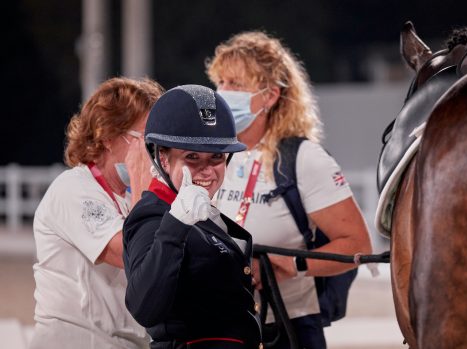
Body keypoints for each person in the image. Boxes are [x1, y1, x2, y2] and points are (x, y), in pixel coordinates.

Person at [206, 31, 372, 348]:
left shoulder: (304, 159)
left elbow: (357, 245)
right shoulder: (210, 155)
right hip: (217, 324)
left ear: (270, 96)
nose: (223, 93)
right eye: (222, 82)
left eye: (236, 85)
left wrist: (286, 266)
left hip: (287, 326)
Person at [122, 84, 262, 349]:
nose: (207, 170)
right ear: (163, 158)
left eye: (217, 157)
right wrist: (175, 224)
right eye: (192, 157)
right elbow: (144, 306)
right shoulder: (154, 216)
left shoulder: (201, 212)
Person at [30, 77, 163, 349]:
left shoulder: (127, 197)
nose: (155, 152)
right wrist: (142, 187)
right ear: (108, 136)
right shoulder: (74, 189)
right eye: (146, 139)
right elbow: (133, 256)